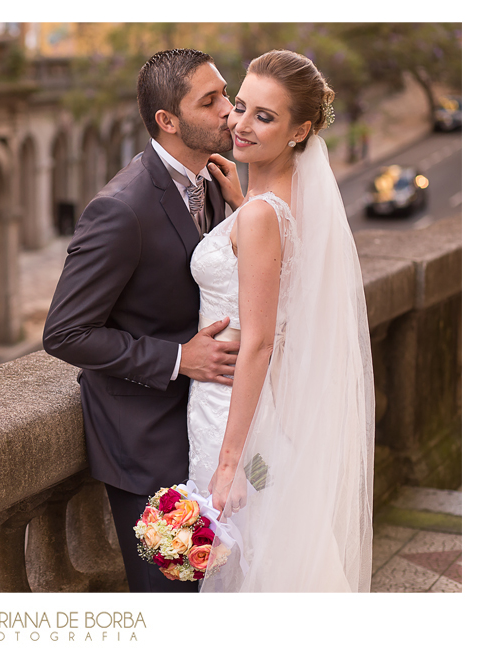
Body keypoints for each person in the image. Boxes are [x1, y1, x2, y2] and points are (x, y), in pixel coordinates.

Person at [42, 49, 244, 593]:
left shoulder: (214, 184)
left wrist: (242, 211)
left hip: (204, 428)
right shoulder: (120, 208)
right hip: (146, 445)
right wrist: (180, 357)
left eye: (225, 93)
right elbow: (64, 331)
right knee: (171, 599)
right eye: (211, 101)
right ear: (168, 121)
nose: (230, 109)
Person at [188, 50, 375, 592]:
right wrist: (241, 205)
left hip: (234, 412)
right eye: (240, 106)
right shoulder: (273, 203)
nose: (240, 125)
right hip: (251, 406)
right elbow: (279, 277)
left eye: (264, 117)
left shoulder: (263, 214)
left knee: (249, 568)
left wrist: (229, 463)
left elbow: (261, 342)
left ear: (301, 130)